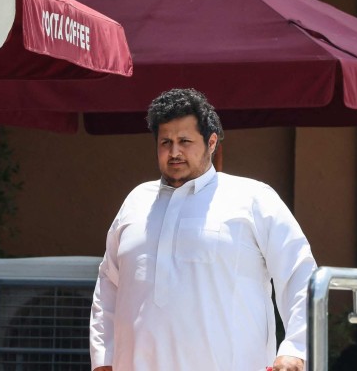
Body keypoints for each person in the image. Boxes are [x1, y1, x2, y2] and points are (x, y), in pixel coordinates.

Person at [89, 88, 317, 371]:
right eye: (165, 142)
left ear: (211, 142)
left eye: (185, 141)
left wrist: (296, 349)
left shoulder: (252, 198)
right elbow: (108, 285)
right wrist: (104, 358)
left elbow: (299, 273)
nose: (174, 152)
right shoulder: (136, 202)